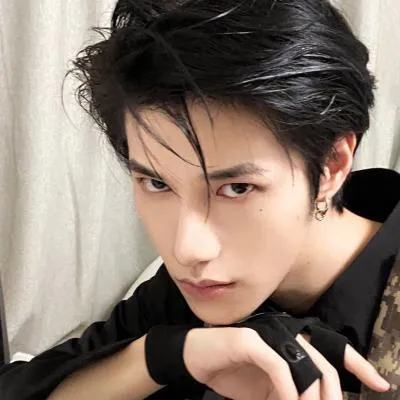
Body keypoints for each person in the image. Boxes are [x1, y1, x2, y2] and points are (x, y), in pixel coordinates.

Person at [1, 0, 399, 399]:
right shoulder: (190, 292)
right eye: (157, 183)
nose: (187, 249)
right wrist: (164, 356)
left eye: (237, 188)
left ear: (331, 166)